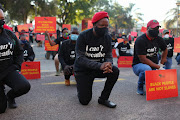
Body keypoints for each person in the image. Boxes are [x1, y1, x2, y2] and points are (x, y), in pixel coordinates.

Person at [74, 11, 119, 108]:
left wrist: (108, 63)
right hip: (83, 70)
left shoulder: (107, 37)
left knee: (114, 71)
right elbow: (80, 58)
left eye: (106, 26)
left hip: (98, 68)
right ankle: (81, 86)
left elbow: (108, 54)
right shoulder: (83, 36)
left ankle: (103, 99)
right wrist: (100, 65)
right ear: (94, 25)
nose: (105, 28)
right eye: (102, 25)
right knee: (85, 101)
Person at [0, 6, 31, 114]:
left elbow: (19, 52)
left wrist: (17, 65)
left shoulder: (10, 35)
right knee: (1, 109)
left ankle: (10, 96)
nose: (1, 21)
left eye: (2, 18)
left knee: (24, 86)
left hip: (9, 70)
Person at [132, 19, 168, 95]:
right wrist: (158, 67)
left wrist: (162, 63)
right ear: (147, 28)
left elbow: (165, 49)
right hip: (138, 65)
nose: (156, 30)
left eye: (157, 28)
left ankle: (151, 84)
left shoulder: (159, 39)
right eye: (153, 28)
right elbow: (143, 59)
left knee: (162, 72)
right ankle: (140, 86)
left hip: (153, 64)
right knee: (146, 69)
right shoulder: (140, 40)